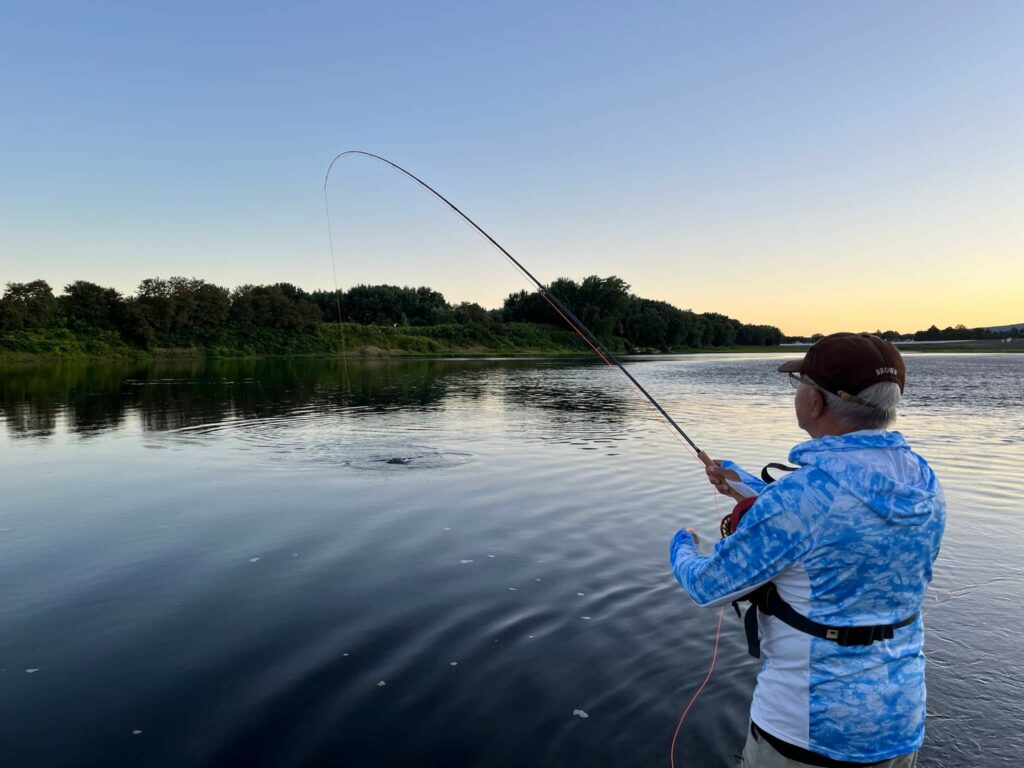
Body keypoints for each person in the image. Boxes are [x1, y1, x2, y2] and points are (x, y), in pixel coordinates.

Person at [669, 333, 945, 767]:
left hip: (806, 733)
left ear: (815, 402)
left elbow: (706, 586)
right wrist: (745, 485)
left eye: (799, 382)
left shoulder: (802, 500)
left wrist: (682, 543)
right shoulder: (922, 481)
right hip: (900, 720)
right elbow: (836, 516)